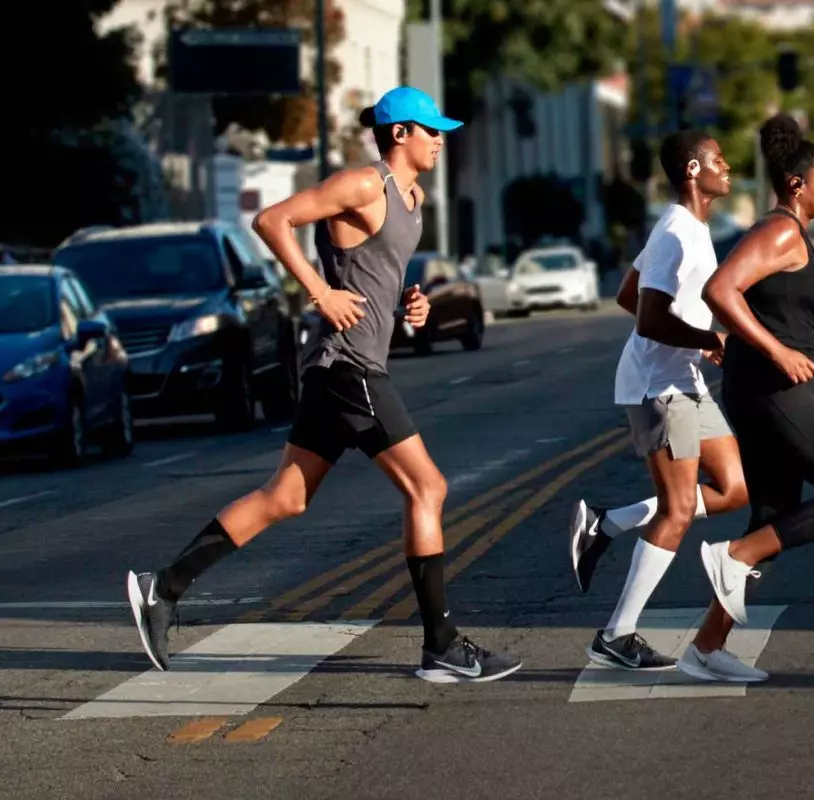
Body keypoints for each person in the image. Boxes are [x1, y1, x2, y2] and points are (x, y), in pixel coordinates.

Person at [125, 87, 522, 684]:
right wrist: (320, 292)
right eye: (431, 130)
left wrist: (408, 303)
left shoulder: (413, 199)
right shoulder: (364, 184)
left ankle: (163, 588)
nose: (441, 140)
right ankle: (441, 646)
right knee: (428, 488)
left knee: (286, 497)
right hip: (348, 366)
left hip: (347, 367)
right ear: (399, 134)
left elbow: (373, 271)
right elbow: (270, 220)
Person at [570, 131, 766, 682]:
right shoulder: (677, 233)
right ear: (692, 170)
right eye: (717, 160)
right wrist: (707, 338)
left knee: (736, 488)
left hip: (684, 381)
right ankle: (616, 634)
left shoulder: (690, 230)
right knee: (678, 511)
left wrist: (694, 343)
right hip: (659, 387)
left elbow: (627, 295)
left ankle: (607, 523)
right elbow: (647, 317)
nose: (727, 166)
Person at [698, 114, 814, 627]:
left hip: (763, 388)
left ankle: (707, 648)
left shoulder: (794, 235)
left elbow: (791, 324)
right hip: (770, 391)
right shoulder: (781, 231)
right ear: (798, 184)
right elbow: (719, 290)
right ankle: (733, 556)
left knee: (772, 520)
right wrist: (777, 354)